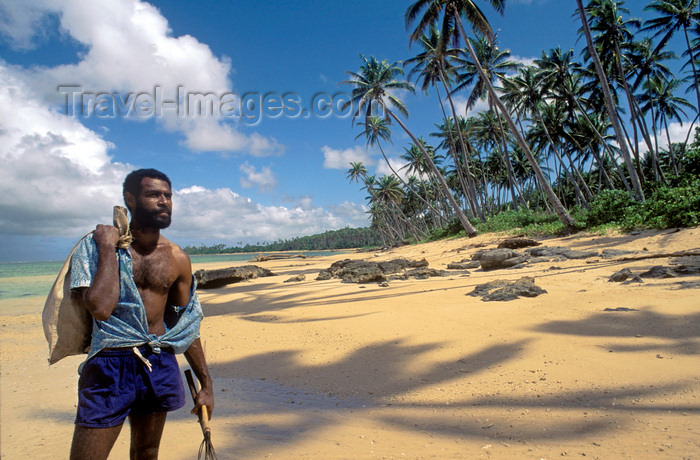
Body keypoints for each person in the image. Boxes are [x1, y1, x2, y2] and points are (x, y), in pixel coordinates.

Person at [68, 168, 214, 460]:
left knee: (147, 453)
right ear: (130, 200)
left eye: (168, 195)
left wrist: (206, 384)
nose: (164, 201)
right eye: (153, 194)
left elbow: (185, 324)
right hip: (110, 363)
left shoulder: (177, 257)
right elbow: (99, 307)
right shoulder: (96, 247)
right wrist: (109, 248)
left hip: (158, 360)